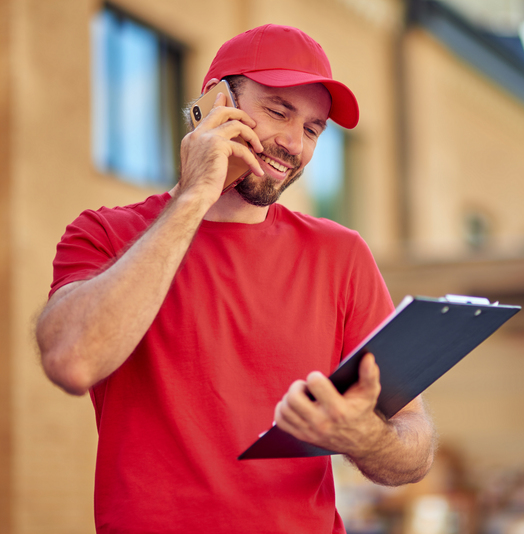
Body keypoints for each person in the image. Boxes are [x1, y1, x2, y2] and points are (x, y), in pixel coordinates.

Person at [36, 24, 436, 533]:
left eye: (313, 129)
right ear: (213, 103)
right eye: (278, 111)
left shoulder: (342, 255)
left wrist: (363, 437)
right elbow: (71, 360)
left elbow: (413, 442)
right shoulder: (107, 234)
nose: (293, 143)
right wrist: (195, 196)